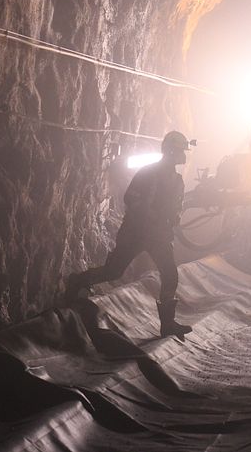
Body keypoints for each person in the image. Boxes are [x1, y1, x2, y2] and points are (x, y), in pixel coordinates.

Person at [65, 131, 193, 339]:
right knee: (113, 272)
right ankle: (78, 281)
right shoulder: (149, 172)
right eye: (180, 150)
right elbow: (130, 197)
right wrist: (150, 215)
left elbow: (175, 207)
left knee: (170, 274)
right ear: (171, 151)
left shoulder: (177, 180)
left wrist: (172, 219)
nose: (183, 155)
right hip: (136, 232)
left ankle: (167, 324)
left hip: (158, 236)